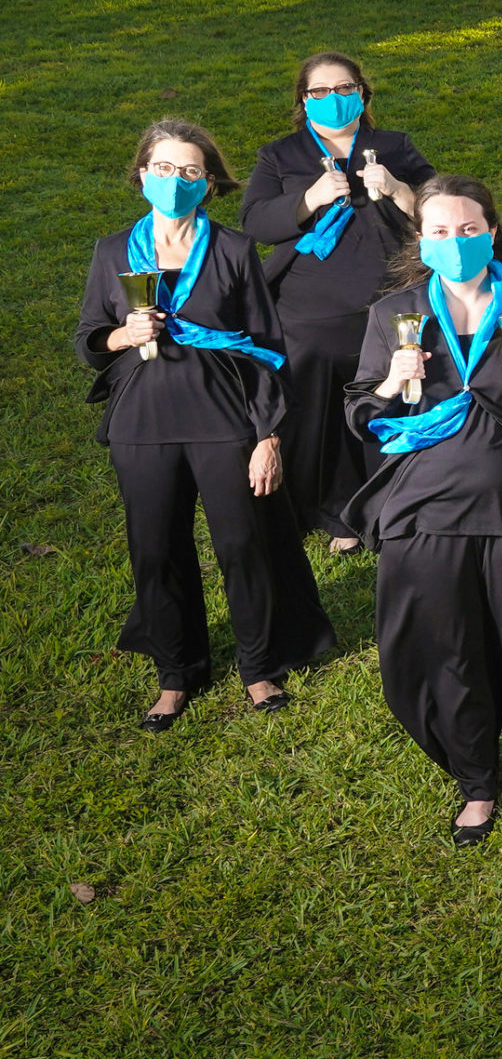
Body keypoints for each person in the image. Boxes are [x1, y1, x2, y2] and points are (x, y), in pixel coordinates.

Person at [346, 175, 502, 845]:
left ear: (490, 233)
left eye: (468, 229)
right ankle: (477, 782)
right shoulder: (393, 315)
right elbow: (361, 412)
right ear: (423, 241)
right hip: (427, 510)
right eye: (440, 231)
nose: (456, 241)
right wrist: (394, 383)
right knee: (450, 650)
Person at [78, 120, 336, 732]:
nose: (175, 181)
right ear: (142, 176)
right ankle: (175, 673)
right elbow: (90, 339)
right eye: (163, 169)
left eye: (190, 171)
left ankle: (258, 665)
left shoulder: (233, 251)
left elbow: (269, 350)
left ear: (209, 183)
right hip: (141, 422)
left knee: (245, 545)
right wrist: (122, 334)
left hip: (223, 419)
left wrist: (268, 436)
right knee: (156, 549)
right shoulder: (113, 251)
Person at [239, 52, 433, 554]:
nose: (333, 99)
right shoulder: (279, 156)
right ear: (303, 101)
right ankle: (333, 513)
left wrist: (398, 190)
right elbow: (256, 222)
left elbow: (438, 212)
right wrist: (309, 199)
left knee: (385, 403)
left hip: (386, 303)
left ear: (363, 94)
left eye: (344, 88)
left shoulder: (392, 146)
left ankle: (394, 503)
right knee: (318, 416)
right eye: (320, 91)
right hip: (308, 309)